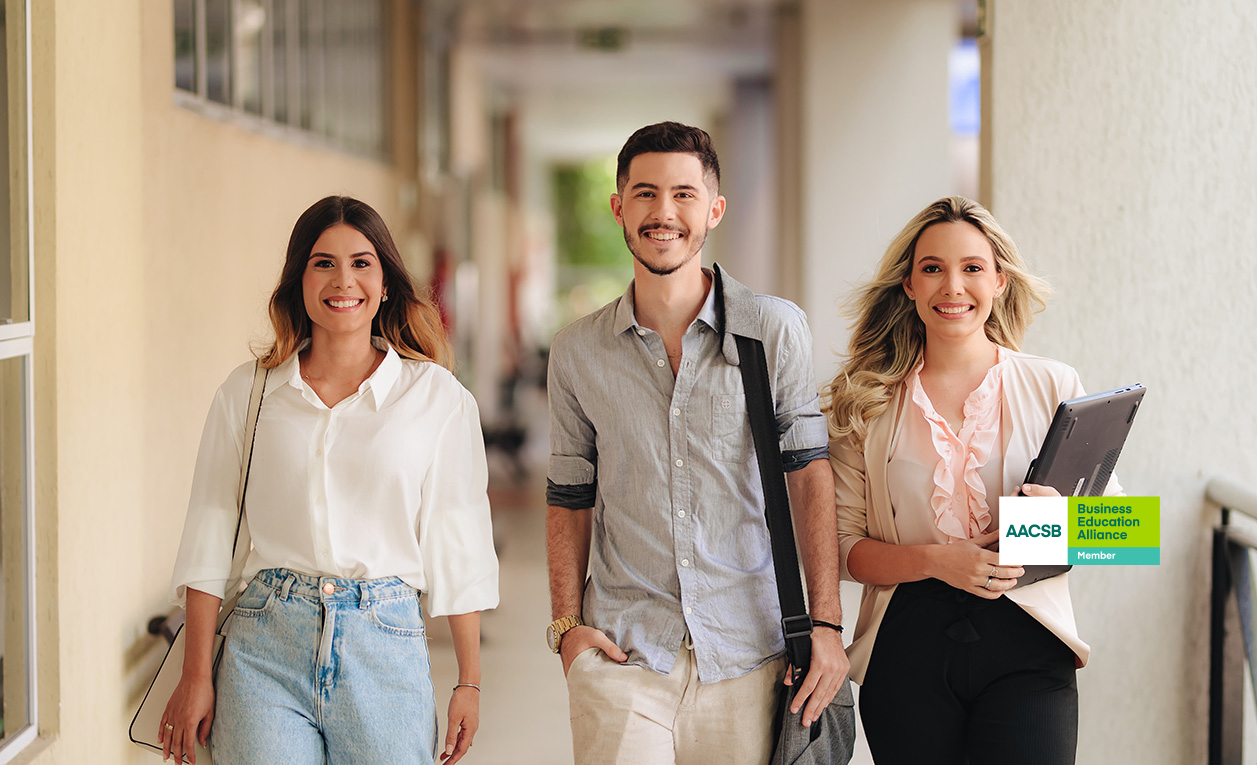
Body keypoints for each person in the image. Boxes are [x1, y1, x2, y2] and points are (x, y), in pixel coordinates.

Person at [544, 121, 850, 764]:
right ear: (618, 206)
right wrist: (568, 629)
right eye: (646, 193)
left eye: (684, 194)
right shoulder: (578, 351)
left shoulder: (773, 328)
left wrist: (826, 624)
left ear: (714, 208)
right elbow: (569, 497)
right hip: (624, 651)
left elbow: (809, 474)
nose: (664, 212)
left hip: (748, 654)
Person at [159, 196, 499, 765]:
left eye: (362, 263)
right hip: (264, 644)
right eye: (324, 263)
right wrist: (196, 673)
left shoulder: (437, 398)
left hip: (385, 644)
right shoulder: (248, 394)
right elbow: (208, 534)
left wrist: (470, 679)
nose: (344, 280)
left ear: (386, 282)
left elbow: (456, 539)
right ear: (299, 279)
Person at [825, 196, 1120, 764]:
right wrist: (938, 561)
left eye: (972, 268)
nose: (952, 286)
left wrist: (1054, 522)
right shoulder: (865, 401)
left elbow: (1128, 534)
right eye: (932, 268)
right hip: (906, 648)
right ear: (908, 286)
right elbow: (845, 551)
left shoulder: (1054, 386)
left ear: (1000, 281)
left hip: (1030, 644)